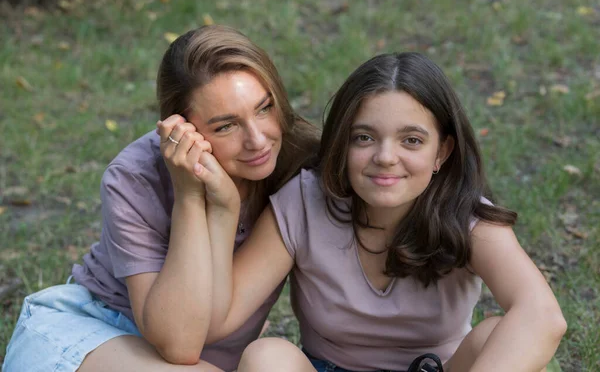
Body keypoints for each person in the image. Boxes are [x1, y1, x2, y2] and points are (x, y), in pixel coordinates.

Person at [200, 52, 567, 371]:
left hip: (436, 368)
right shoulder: (305, 202)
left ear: (442, 151)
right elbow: (222, 316)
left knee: (495, 335)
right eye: (365, 137)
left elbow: (543, 316)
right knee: (268, 356)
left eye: (412, 140)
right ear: (343, 144)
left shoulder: (468, 218)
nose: (386, 157)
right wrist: (220, 208)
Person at [2, 25, 320, 372]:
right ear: (181, 129)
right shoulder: (135, 176)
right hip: (93, 332)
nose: (258, 140)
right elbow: (179, 343)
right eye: (226, 126)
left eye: (264, 108)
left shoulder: (300, 163)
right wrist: (190, 196)